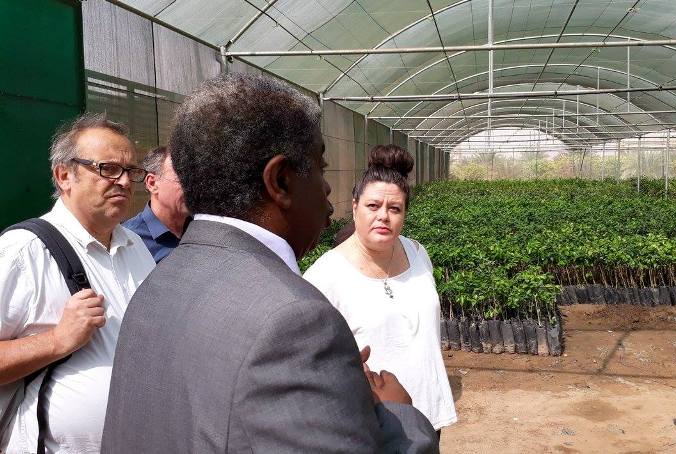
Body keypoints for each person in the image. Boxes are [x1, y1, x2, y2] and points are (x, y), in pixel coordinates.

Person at [101, 73, 438, 453]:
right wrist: (399, 415)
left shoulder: (157, 283)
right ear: (280, 181)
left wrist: (328, 391)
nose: (328, 191)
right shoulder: (294, 321)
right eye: (320, 168)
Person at [0, 114, 155, 453]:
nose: (125, 183)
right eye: (108, 169)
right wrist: (57, 340)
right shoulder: (23, 251)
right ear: (64, 175)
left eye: (131, 172)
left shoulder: (135, 246)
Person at [304, 144, 457, 435]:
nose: (383, 216)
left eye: (394, 208)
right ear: (354, 207)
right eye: (373, 206)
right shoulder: (325, 277)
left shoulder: (417, 253)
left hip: (427, 414)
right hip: (371, 422)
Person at [123, 146, 191, 262]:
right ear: (152, 183)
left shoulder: (203, 228)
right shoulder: (128, 241)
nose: (192, 186)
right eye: (183, 178)